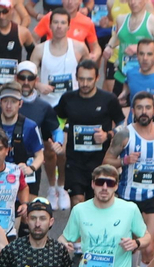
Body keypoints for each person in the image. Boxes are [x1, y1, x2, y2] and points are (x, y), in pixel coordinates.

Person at [62, 163, 149, 267]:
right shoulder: (80, 210)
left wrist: (136, 243)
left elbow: (146, 237)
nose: (104, 187)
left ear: (116, 186)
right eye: (100, 182)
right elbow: (65, 237)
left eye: (109, 183)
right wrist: (64, 245)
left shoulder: (129, 209)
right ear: (92, 184)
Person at [107, 86, 154, 249]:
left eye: (148, 108)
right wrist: (124, 161)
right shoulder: (125, 135)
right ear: (133, 111)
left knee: (148, 247)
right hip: (129, 197)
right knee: (129, 247)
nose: (144, 112)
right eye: (139, 108)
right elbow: (107, 161)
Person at [53, 62, 125, 208]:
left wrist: (108, 135)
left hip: (100, 160)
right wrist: (59, 140)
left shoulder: (108, 99)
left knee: (96, 203)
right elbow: (57, 120)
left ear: (97, 78)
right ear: (76, 78)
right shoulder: (68, 99)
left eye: (89, 79)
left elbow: (122, 124)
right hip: (75, 161)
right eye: (81, 79)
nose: (85, 83)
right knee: (77, 202)